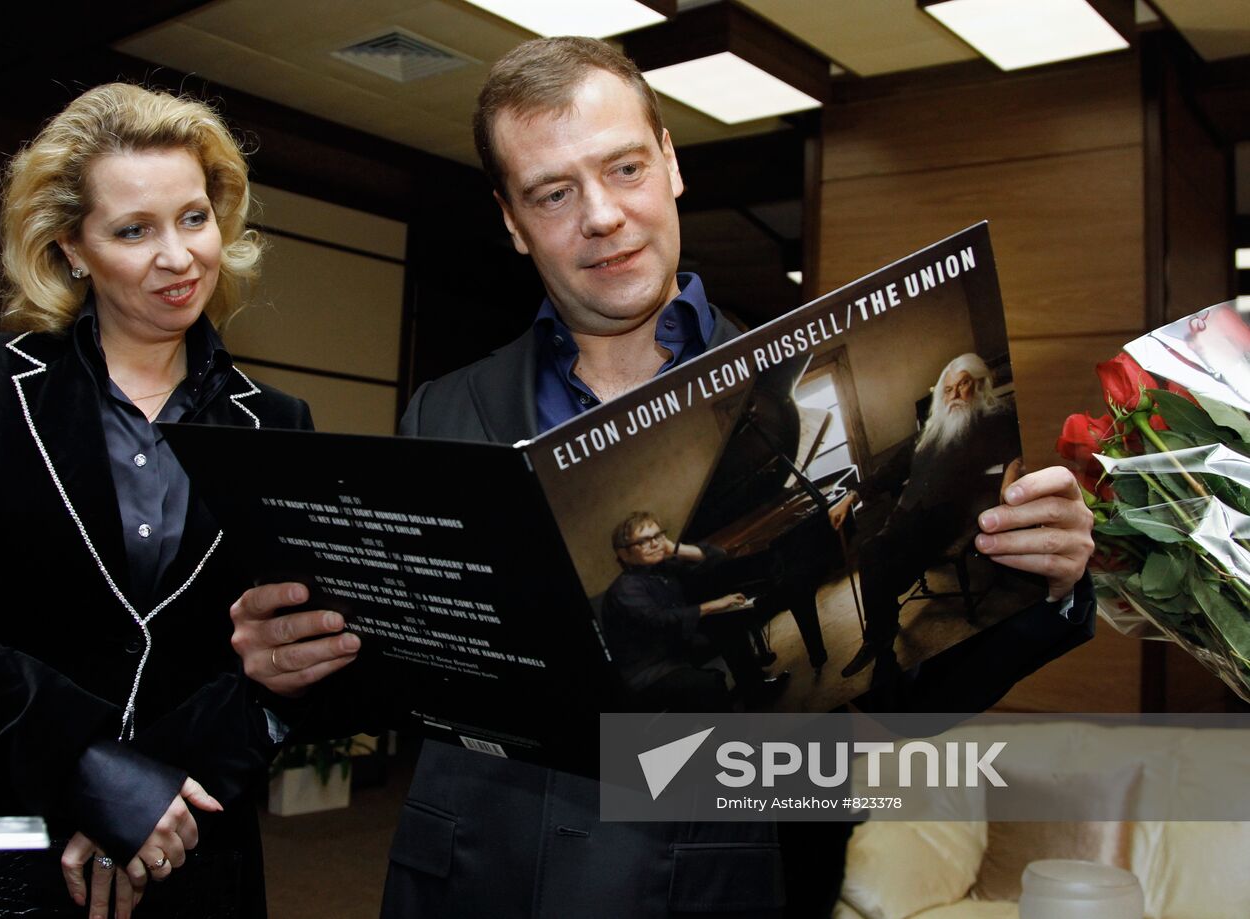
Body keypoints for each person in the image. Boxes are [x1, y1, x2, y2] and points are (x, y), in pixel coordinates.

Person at [230, 37, 1096, 917]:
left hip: (730, 872)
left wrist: (1047, 588)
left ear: (671, 165)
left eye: (625, 168)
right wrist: (297, 661)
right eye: (554, 193)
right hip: (484, 867)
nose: (601, 215)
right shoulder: (443, 410)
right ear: (511, 219)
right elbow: (412, 670)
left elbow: (909, 698)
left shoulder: (774, 387)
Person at [0, 83, 318, 918]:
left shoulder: (278, 424)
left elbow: (283, 656)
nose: (177, 257)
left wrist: (151, 790)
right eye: (133, 231)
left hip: (189, 847)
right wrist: (87, 761)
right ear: (71, 246)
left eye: (193, 217)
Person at [841, 352, 1023, 679]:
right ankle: (880, 639)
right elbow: (893, 469)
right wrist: (852, 495)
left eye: (963, 386)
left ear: (979, 386)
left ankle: (881, 649)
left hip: (948, 517)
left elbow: (1017, 448)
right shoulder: (933, 427)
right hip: (907, 517)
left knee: (882, 566)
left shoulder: (993, 419)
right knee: (872, 552)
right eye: (948, 389)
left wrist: (1012, 471)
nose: (954, 396)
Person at [601, 511, 751, 711]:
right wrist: (713, 605)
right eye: (645, 541)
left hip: (676, 648)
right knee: (708, 684)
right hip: (650, 670)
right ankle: (728, 737)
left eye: (657, 536)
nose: (655, 544)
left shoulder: (662, 568)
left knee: (731, 628)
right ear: (623, 553)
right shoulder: (625, 588)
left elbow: (717, 556)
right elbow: (660, 620)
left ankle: (754, 691)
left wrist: (674, 547)